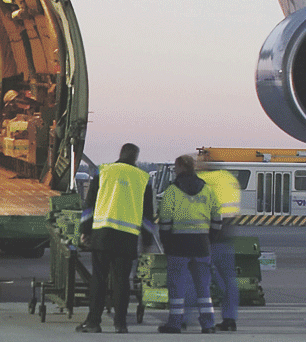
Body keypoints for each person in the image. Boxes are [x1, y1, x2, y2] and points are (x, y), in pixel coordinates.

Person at [155, 155, 240, 333]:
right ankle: (210, 324)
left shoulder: (173, 190)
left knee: (180, 286)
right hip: (205, 243)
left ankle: (177, 323)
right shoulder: (212, 187)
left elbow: (165, 221)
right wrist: (209, 239)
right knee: (206, 287)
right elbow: (217, 217)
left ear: (180, 167)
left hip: (179, 245)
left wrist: (166, 244)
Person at [77, 142, 154, 333]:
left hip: (102, 234)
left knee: (99, 279)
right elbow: (147, 215)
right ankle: (121, 324)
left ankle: (94, 322)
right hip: (127, 238)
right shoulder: (143, 178)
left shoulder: (103, 171)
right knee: (122, 281)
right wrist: (147, 240)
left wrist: (85, 230)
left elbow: (90, 204)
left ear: (120, 154)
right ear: (136, 157)